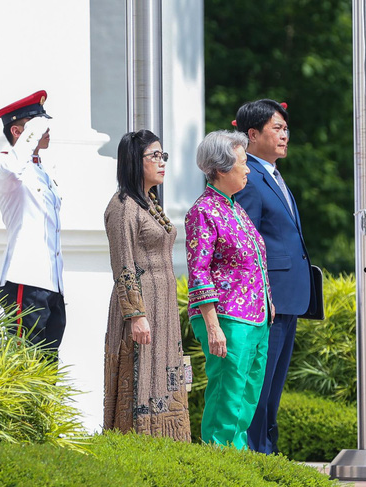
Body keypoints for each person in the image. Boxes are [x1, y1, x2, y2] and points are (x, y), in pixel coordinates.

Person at [233, 99, 313, 454]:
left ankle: (268, 451)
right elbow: (245, 244)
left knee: (274, 386)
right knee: (259, 385)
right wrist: (260, 296)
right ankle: (257, 454)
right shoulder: (248, 177)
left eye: (286, 129)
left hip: (288, 296)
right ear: (252, 135)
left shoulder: (274, 176)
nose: (285, 135)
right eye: (276, 128)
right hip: (268, 300)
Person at [185, 130, 274, 449]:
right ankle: (219, 463)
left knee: (247, 399)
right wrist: (212, 326)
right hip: (227, 319)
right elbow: (198, 271)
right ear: (221, 169)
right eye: (243, 162)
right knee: (227, 397)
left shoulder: (236, 208)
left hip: (256, 318)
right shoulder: (203, 211)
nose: (248, 169)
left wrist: (268, 303)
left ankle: (238, 463)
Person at [103, 129, 190, 441]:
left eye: (162, 155)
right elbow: (123, 264)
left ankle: (171, 448)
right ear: (133, 161)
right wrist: (136, 314)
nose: (162, 161)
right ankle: (139, 449)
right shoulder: (123, 206)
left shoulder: (148, 202)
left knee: (166, 377)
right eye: (155, 155)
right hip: (141, 311)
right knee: (140, 379)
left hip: (163, 308)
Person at [0, 90, 66, 356]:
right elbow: (13, 167)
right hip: (25, 279)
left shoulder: (42, 171)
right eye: (37, 124)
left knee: (47, 369)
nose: (46, 130)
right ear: (16, 131)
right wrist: (32, 131)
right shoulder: (7, 168)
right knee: (24, 363)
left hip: (51, 284)